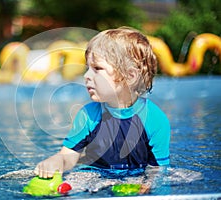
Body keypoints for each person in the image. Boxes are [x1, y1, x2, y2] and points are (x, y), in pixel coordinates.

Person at [34, 26, 170, 179]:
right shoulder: (88, 115)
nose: (86, 75)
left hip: (135, 180)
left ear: (130, 76)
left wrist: (147, 186)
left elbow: (157, 170)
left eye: (97, 68)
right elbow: (69, 156)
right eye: (88, 68)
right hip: (95, 176)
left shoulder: (155, 120)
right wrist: (56, 161)